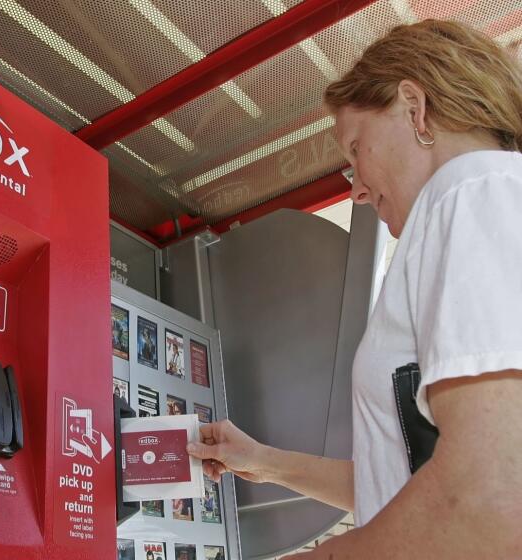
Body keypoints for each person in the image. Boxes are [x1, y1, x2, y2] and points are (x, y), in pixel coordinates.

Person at [187, 19, 522, 558]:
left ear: (415, 108)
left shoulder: (475, 190)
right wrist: (264, 462)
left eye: (356, 148)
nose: (359, 190)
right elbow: (404, 481)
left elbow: (492, 496)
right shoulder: (477, 209)